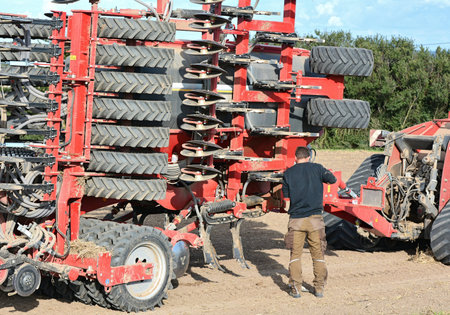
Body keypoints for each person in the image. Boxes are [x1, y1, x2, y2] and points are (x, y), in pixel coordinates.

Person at [282, 146, 337, 298]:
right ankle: (319, 289)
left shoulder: (288, 173)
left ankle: (296, 289)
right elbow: (332, 179)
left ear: (295, 158)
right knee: (318, 255)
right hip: (315, 220)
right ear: (309, 156)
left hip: (296, 220)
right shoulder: (318, 168)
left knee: (295, 255)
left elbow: (286, 197)